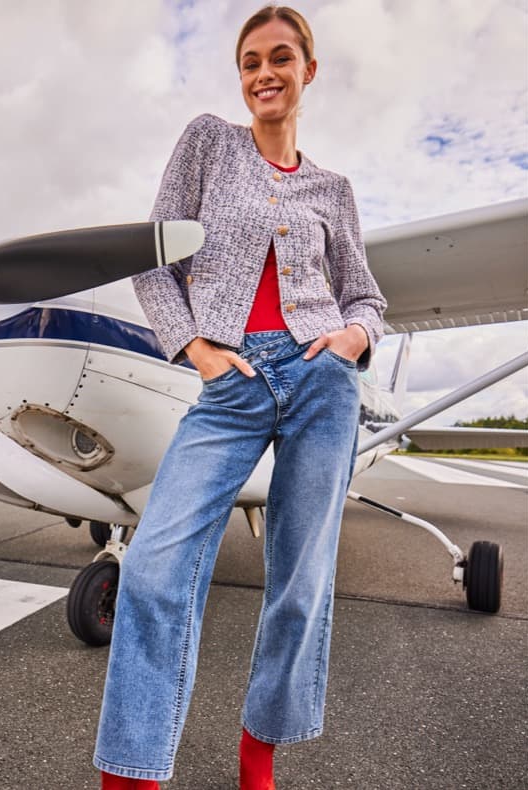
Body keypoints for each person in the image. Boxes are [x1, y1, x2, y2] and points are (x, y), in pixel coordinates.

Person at [94, 5, 387, 789]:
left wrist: (353, 340)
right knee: (155, 566)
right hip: (232, 384)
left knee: (300, 578)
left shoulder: (335, 189)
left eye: (282, 58)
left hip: (322, 380)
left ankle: (258, 755)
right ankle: (130, 774)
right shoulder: (207, 143)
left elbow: (365, 295)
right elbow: (150, 257)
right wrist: (195, 347)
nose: (265, 72)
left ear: (308, 72)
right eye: (251, 60)